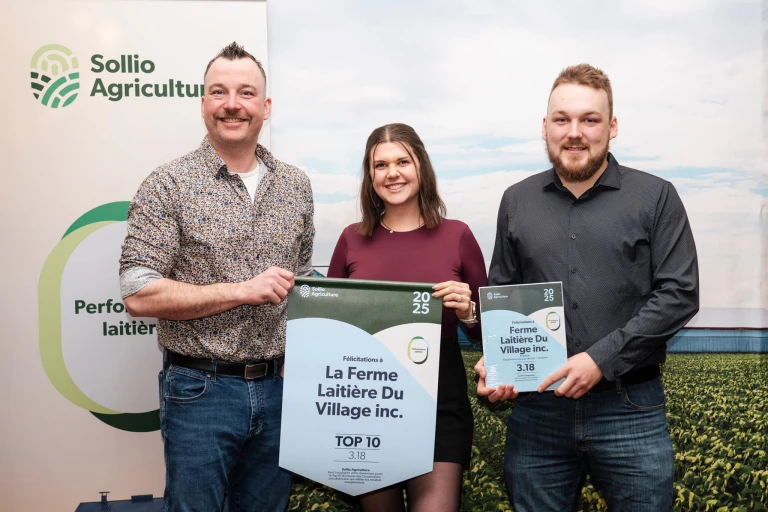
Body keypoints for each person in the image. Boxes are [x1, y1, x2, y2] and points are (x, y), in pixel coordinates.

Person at [474, 64, 699, 511]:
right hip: (538, 412)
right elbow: (502, 295)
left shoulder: (656, 197)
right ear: (545, 127)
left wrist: (601, 359)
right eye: (562, 119)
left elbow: (678, 294)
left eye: (589, 119)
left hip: (630, 409)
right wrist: (498, 365)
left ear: (611, 127)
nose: (574, 132)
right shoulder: (516, 201)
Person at [119, 42, 314, 512]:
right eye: (219, 92)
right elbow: (137, 292)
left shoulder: (295, 186)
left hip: (279, 388)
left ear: (265, 107)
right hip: (199, 391)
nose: (232, 104)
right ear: (204, 103)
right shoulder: (167, 184)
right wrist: (241, 292)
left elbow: (305, 282)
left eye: (246, 93)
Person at [328, 123, 487, 512]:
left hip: (440, 395)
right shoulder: (350, 239)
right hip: (366, 399)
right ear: (370, 176)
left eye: (403, 161)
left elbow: (492, 334)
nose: (392, 173)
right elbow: (327, 329)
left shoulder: (458, 235)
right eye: (380, 165)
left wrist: (468, 312)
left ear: (422, 167)